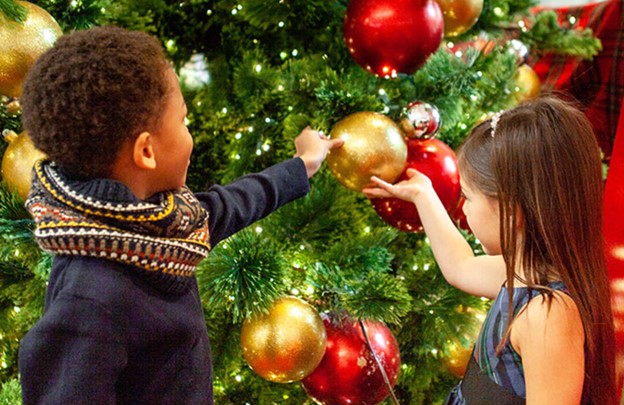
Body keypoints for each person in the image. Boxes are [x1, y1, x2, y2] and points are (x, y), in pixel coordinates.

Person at [17, 26, 342, 404]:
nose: (190, 134)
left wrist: (302, 165)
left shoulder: (165, 223)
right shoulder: (89, 299)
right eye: (183, 120)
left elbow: (231, 204)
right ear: (146, 152)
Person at [363, 96, 617, 404]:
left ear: (511, 210)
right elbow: (461, 267)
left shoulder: (547, 313)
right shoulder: (526, 271)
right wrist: (423, 195)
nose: (464, 209)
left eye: (468, 197)